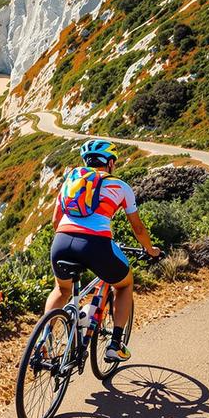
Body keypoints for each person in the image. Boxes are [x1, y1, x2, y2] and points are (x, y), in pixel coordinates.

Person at [45, 139, 160, 362]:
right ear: (110, 162)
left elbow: (55, 220)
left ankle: (43, 342)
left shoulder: (70, 181)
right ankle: (115, 345)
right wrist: (150, 249)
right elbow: (137, 227)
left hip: (61, 242)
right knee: (124, 284)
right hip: (95, 245)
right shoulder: (120, 186)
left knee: (61, 290)